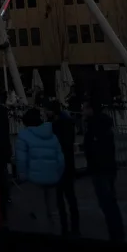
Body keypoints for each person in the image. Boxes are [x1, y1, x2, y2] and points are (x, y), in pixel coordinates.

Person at [15, 107, 65, 229]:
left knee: (40, 212)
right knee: (53, 212)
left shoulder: (23, 136)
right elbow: (60, 159)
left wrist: (23, 175)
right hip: (52, 176)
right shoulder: (52, 136)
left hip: (34, 178)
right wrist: (57, 173)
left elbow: (21, 159)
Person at [82, 99, 124, 242]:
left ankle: (116, 234)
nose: (82, 111)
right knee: (109, 201)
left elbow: (95, 149)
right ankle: (117, 232)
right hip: (108, 167)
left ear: (91, 110)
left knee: (107, 202)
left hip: (100, 169)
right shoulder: (103, 126)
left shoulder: (95, 128)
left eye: (85, 108)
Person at [46, 100, 80, 235]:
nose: (45, 112)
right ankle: (74, 226)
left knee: (62, 197)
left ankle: (65, 226)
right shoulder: (67, 123)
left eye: (47, 110)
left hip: (60, 165)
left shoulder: (57, 125)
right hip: (68, 164)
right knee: (70, 197)